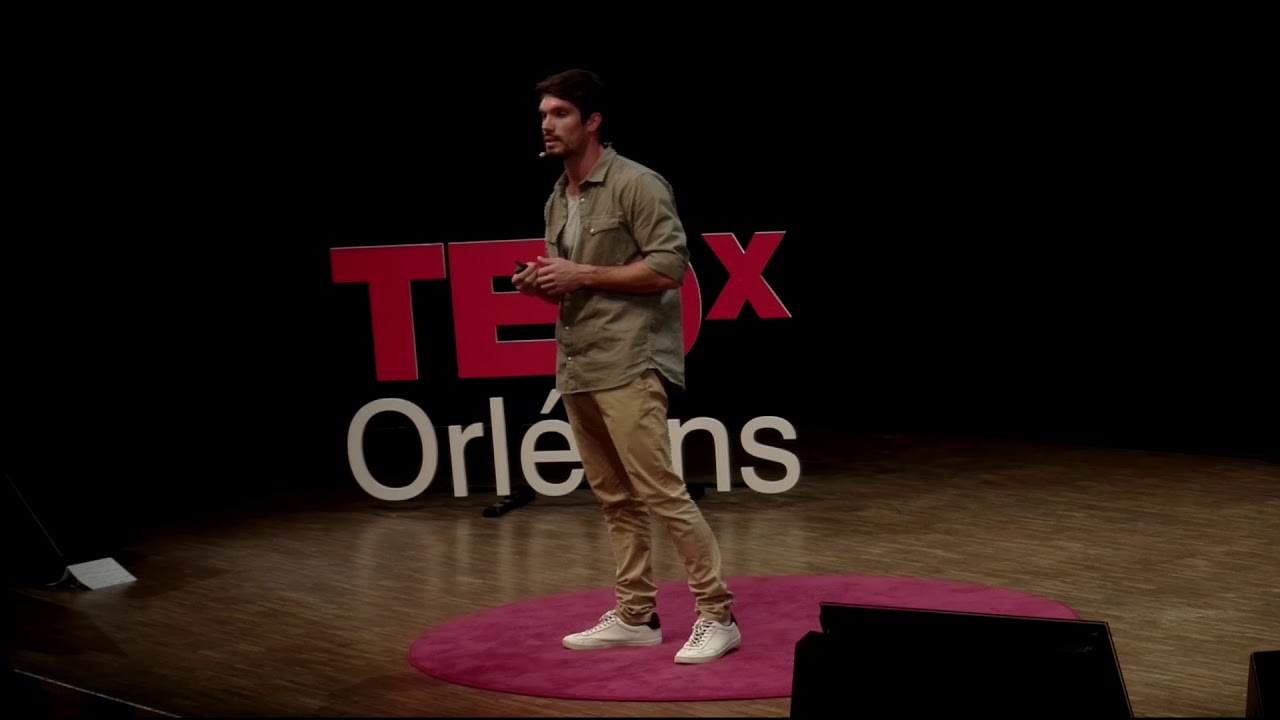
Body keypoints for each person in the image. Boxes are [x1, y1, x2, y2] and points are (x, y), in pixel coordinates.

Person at [512, 68, 741, 664]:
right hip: (579, 360)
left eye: (560, 113)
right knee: (614, 497)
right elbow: (571, 281)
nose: (547, 123)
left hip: (630, 360)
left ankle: (717, 613)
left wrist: (580, 274)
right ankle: (637, 614)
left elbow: (668, 268)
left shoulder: (639, 184)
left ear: (592, 121)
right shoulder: (559, 195)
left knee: (661, 491)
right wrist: (542, 283)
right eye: (543, 115)